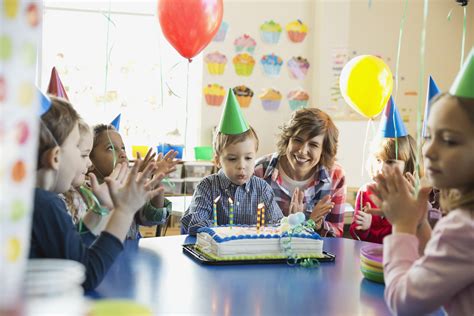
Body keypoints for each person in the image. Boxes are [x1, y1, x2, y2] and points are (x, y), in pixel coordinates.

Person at [371, 51, 474, 315]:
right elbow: (440, 262)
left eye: (449, 140)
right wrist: (418, 222)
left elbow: (403, 301)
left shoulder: (464, 227)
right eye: (428, 136)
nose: (428, 151)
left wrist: (403, 224)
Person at [31, 96, 164, 289]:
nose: (89, 163)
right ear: (56, 157)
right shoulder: (45, 204)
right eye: (81, 152)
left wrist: (100, 208)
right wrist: (124, 211)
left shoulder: (35, 199)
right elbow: (86, 275)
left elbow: (74, 254)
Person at [181, 89, 283, 235]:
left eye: (248, 158)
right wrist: (230, 233)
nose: (242, 166)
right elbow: (196, 223)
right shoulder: (207, 187)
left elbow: (277, 224)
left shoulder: (262, 189)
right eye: (232, 159)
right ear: (217, 160)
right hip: (214, 254)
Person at [350, 99, 440, 243]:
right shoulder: (365, 192)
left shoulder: (412, 195)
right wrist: (364, 227)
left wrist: (374, 226)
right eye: (378, 160)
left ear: (408, 164)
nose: (382, 167)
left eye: (391, 162)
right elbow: (356, 233)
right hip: (370, 258)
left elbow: (410, 235)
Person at [255, 108, 346, 237]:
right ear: (287, 140)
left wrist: (317, 225)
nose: (302, 151)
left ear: (324, 150)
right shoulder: (259, 171)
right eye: (298, 140)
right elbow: (248, 227)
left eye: (313, 145)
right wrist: (288, 223)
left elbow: (337, 233)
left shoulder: (336, 176)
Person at [89, 124, 178, 238]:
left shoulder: (128, 187)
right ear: (89, 159)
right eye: (110, 148)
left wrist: (156, 178)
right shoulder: (87, 193)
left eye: (123, 148)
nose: (122, 154)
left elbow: (152, 218)